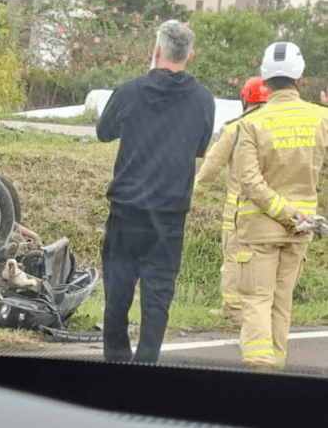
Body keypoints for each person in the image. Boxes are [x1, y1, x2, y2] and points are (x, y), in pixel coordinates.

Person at [96, 20, 215, 363]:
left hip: (126, 212)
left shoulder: (129, 91)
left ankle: (116, 363)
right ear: (189, 57)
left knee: (117, 296)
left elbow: (104, 132)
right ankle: (147, 365)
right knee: (158, 298)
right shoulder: (203, 100)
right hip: (170, 216)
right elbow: (199, 149)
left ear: (157, 51)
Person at [233, 41, 328, 370]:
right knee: (281, 301)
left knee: (257, 299)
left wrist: (283, 212)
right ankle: (279, 375)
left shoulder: (252, 123)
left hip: (261, 228)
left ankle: (260, 369)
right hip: (301, 231)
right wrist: (300, 215)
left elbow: (249, 181)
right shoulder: (321, 118)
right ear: (300, 79)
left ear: (264, 80)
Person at [194, 77, 270, 321]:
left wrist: (192, 191)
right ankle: (266, 309)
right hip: (275, 211)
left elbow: (209, 170)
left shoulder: (234, 128)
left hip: (239, 212)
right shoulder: (277, 127)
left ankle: (233, 310)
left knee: (234, 260)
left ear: (244, 99)